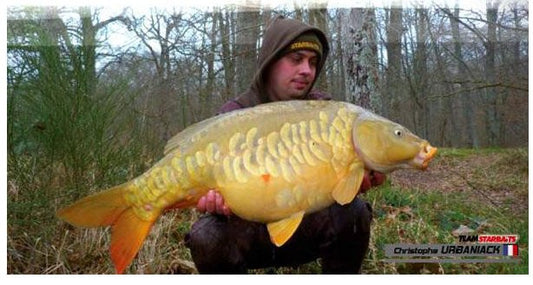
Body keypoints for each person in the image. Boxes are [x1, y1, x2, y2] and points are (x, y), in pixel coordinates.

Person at [184, 15, 385, 274]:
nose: (307, 70)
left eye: (313, 63)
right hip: (250, 230)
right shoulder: (234, 115)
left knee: (353, 212)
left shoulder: (325, 114)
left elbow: (345, 180)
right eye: (296, 59)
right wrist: (213, 202)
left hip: (307, 225)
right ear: (270, 62)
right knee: (206, 235)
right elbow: (212, 191)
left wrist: (364, 174)